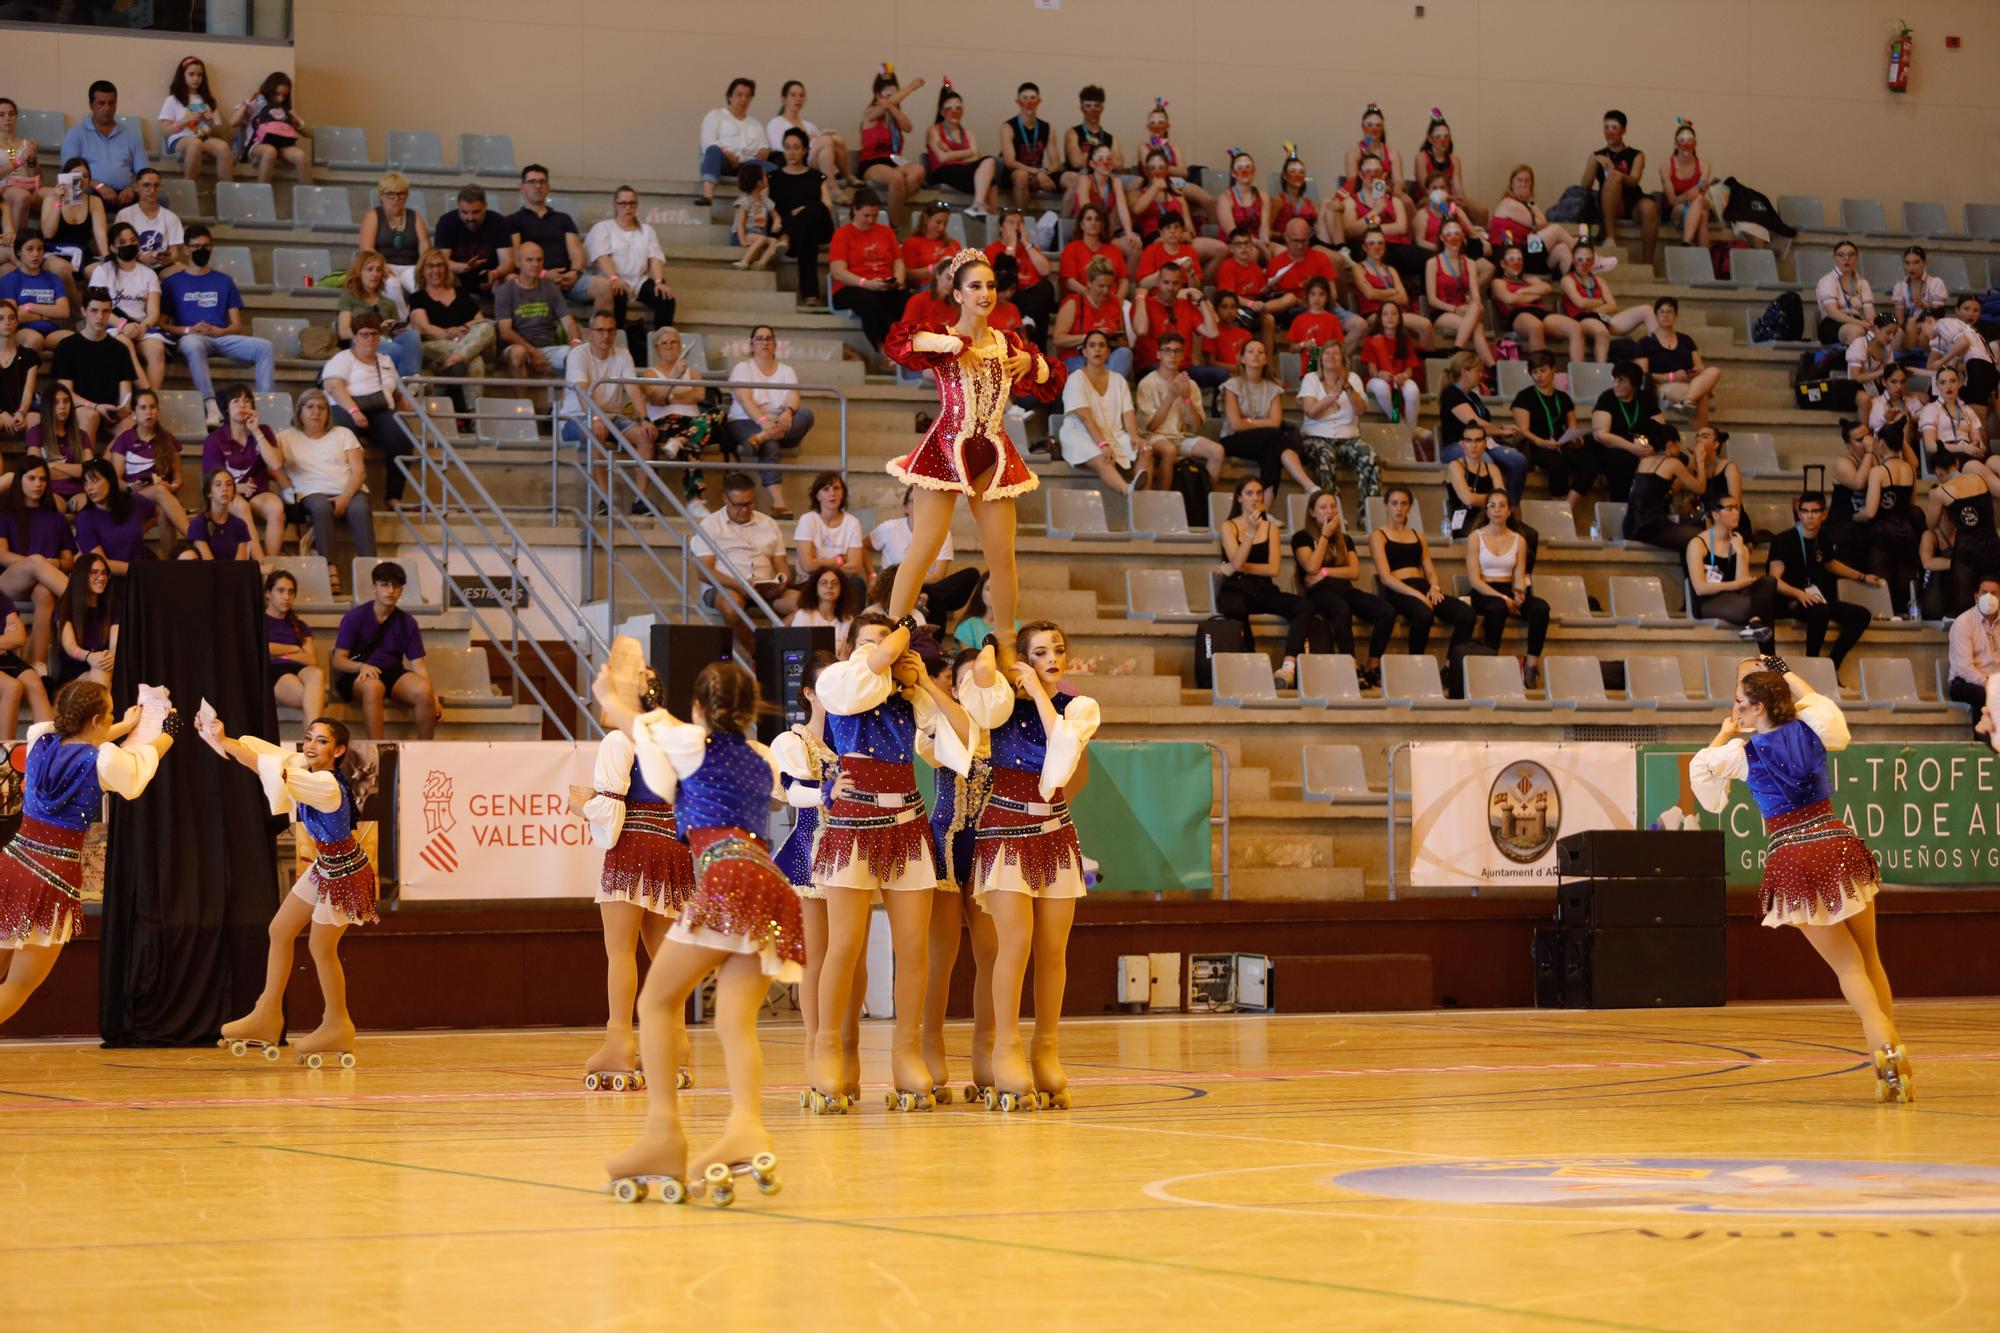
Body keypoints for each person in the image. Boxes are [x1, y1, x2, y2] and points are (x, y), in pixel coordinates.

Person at [600, 654, 804, 1201]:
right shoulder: (762, 757)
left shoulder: (693, 744)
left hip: (729, 877)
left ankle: (663, 1133)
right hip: (770, 883)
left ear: (698, 707)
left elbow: (636, 725)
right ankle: (745, 1127)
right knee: (735, 1021)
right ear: (749, 708)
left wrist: (610, 689)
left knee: (657, 1004)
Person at [1690, 665, 1909, 1101]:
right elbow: (1823, 707)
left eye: (1740, 703)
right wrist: (1783, 670)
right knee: (1869, 957)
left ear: (1758, 708)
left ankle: (1883, 1048)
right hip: (1837, 844)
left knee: (1848, 968)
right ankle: (1892, 1052)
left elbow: (1702, 777)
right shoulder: (1813, 725)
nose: (1735, 709)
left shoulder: (1739, 753)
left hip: (1795, 859)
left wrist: (1722, 734)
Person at [806, 616, 986, 1112]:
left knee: (913, 948)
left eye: (887, 643)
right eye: (868, 641)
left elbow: (967, 738)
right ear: (848, 647)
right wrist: (895, 640)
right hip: (852, 827)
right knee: (844, 946)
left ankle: (907, 1051)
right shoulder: (836, 682)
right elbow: (872, 666)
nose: (880, 651)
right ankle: (831, 1048)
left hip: (906, 824)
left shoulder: (910, 699)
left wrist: (924, 680)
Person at [933, 620, 1089, 1112]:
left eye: (1057, 650)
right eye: (1040, 652)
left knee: (1053, 949)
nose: (1052, 658)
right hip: (1004, 833)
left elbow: (1061, 753)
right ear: (1020, 660)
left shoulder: (1079, 708)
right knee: (1014, 945)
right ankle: (1007, 1048)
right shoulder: (997, 711)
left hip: (1057, 834)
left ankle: (1047, 1047)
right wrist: (992, 660)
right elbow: (977, 690)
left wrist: (1043, 693)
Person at [884, 250, 1063, 664]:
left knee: (1002, 553)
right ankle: (891, 631)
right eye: (975, 286)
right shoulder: (942, 337)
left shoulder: (1009, 344)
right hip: (946, 448)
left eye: (991, 286)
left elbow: (1050, 379)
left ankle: (1004, 641)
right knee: (925, 545)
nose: (985, 294)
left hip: (993, 452)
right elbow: (900, 342)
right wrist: (951, 343)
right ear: (958, 292)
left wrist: (1030, 363)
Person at [0, 679, 169, 1028]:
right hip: (49, 880)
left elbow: (85, 738)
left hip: (11, 866)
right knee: (17, 985)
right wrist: (167, 733)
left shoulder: (39, 737)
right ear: (95, 721)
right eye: (108, 714)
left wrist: (124, 724)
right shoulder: (103, 761)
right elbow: (136, 771)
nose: (111, 720)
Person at [211, 713, 374, 1067]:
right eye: (309, 737)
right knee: (280, 929)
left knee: (321, 946)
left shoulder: (327, 784)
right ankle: (267, 1014)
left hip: (346, 872)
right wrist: (223, 739)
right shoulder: (304, 767)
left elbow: (271, 769)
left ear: (339, 750)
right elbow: (265, 759)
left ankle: (337, 1023)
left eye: (322, 741)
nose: (311, 745)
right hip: (326, 865)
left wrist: (224, 741)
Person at [580, 659, 696, 1092]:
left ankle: (619, 1043)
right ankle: (675, 1044)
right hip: (674, 846)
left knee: (621, 952)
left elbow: (611, 810)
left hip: (635, 846)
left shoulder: (618, 738)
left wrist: (583, 806)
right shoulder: (677, 735)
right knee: (666, 957)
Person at [768, 653, 863, 1097]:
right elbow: (792, 790)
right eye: (826, 683)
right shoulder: (794, 741)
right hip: (812, 850)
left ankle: (849, 1047)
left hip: (857, 850)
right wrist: (826, 790)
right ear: (809, 693)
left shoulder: (858, 733)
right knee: (818, 956)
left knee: (854, 957)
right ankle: (816, 1047)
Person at [1214, 478, 1323, 689]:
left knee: (1305, 606)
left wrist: (1236, 566)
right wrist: (1250, 533)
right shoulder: (1229, 526)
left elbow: (1272, 569)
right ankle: (1251, 664)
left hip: (1262, 589)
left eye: (1258, 493)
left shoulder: (1271, 528)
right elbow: (1236, 561)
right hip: (1236, 587)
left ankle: (1288, 666)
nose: (1255, 498)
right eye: (1249, 493)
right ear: (1239, 498)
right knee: (1234, 607)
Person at [160, 226, 273, 426]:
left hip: (221, 336)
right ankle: (211, 406)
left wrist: (218, 331)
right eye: (195, 246)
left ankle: (264, 407)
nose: (201, 250)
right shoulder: (172, 283)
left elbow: (236, 325)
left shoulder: (224, 281)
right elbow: (161, 324)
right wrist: (189, 330)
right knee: (194, 344)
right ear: (186, 249)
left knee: (264, 346)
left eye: (205, 246)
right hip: (190, 338)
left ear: (212, 248)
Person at [1293, 489, 1395, 682]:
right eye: (1323, 507)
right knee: (1342, 609)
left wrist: (1324, 572)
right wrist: (1324, 536)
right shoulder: (1302, 537)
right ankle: (1350, 663)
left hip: (1344, 588)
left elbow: (1353, 572)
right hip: (1318, 592)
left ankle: (1374, 662)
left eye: (1333, 506)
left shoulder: (1345, 539)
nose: (1329, 511)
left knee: (1386, 610)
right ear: (1312, 512)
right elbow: (1311, 566)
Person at [1767, 492, 1878, 669]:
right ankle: (1813, 664)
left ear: (1824, 514)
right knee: (1821, 610)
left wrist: (1862, 576)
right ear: (1798, 513)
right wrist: (1798, 594)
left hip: (1815, 599)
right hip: (1789, 600)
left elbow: (1830, 563)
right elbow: (1774, 580)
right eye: (1804, 511)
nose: (1809, 516)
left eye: (1814, 511)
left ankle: (1833, 663)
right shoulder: (1784, 539)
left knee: (1861, 615)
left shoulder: (1823, 537)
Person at [692, 471, 799, 654]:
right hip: (727, 587)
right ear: (725, 499)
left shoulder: (768, 523)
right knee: (732, 607)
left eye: (749, 503)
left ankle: (772, 639)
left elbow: (781, 565)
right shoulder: (710, 525)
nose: (744, 509)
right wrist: (739, 584)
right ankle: (759, 654)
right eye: (739, 505)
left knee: (807, 604)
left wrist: (782, 582)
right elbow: (704, 572)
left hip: (765, 586)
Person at [560, 311, 657, 508]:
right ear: (590, 333)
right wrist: (594, 418)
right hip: (577, 416)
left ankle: (640, 500)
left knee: (645, 436)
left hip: (613, 416)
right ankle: (604, 499)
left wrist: (645, 419)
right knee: (595, 432)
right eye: (600, 330)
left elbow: (633, 389)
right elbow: (582, 392)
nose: (605, 335)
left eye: (610, 330)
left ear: (615, 333)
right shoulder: (577, 354)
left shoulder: (623, 354)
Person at [324, 314, 420, 513]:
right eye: (364, 334)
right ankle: (343, 491)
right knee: (345, 436)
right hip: (346, 407)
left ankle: (393, 496)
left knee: (401, 435)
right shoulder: (342, 358)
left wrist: (405, 404)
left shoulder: (385, 360)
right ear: (355, 337)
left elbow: (395, 389)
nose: (370, 339)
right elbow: (333, 386)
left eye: (374, 334)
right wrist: (354, 411)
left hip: (380, 410)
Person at [332, 561, 438, 740]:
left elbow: (419, 665)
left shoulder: (407, 622)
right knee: (374, 687)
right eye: (384, 585)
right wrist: (361, 667)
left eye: (395, 586)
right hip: (358, 674)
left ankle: (426, 749)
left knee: (423, 690)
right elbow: (338, 660)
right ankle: (378, 749)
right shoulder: (355, 617)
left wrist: (433, 698)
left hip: (391, 672)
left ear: (401, 590)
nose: (390, 591)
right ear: (374, 587)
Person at [1370, 485, 1474, 654]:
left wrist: (1434, 587)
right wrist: (1418, 596)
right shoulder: (1378, 535)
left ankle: (1451, 663)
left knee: (1466, 614)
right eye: (1394, 503)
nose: (1399, 508)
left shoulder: (1418, 535)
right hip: (1398, 590)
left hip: (1423, 587)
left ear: (1409, 507)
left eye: (1404, 504)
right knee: (1424, 614)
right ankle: (1416, 660)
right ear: (1386, 505)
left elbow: (1430, 571)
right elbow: (1385, 577)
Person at [724, 326, 813, 517]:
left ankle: (762, 438)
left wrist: (788, 412)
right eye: (760, 339)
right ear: (751, 344)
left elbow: (794, 397)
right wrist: (763, 421)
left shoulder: (786, 370)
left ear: (774, 344)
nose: (764, 342)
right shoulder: (743, 368)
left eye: (768, 339)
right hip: (745, 421)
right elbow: (744, 399)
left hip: (779, 424)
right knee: (771, 444)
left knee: (806, 415)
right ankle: (779, 503)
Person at [277, 388, 375, 561]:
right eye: (310, 407)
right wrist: (288, 488)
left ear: (328, 413)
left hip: (350, 491)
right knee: (321, 508)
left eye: (322, 408)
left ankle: (372, 571)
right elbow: (273, 468)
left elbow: (359, 471)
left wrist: (345, 497)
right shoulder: (284, 437)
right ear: (300, 411)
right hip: (310, 493)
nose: (316, 412)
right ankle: (330, 569)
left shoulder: (344, 433)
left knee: (360, 508)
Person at [1465, 491, 1551, 687]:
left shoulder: (1519, 539)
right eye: (1492, 505)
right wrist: (1504, 598)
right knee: (1498, 607)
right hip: (1484, 590)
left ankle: (1530, 666)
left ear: (1509, 511)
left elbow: (1519, 575)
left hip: (1507, 588)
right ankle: (1492, 661)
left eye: (1502, 505)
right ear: (1486, 511)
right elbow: (1474, 580)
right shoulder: (1475, 537)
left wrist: (1519, 593)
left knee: (1541, 608)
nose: (1497, 510)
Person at [0, 458, 73, 673]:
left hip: (44, 583)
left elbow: (68, 561)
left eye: (42, 479)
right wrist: (36, 564)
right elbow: (1, 555)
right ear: (19, 481)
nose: (37, 484)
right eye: (31, 478)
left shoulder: (56, 518)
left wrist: (56, 563)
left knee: (44, 594)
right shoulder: (5, 513)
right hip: (10, 581)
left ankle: (36, 666)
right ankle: (78, 600)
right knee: (37, 560)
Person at [1058, 330, 1151, 499]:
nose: (1097, 350)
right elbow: (1085, 417)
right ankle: (1128, 491)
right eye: (1092, 345)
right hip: (1080, 434)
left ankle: (1143, 496)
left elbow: (1128, 413)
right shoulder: (1076, 379)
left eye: (1102, 345)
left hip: (1113, 433)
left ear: (1108, 351)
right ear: (1085, 352)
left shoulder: (1118, 379)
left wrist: (1135, 436)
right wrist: (1102, 443)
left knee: (1145, 449)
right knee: (1103, 457)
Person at [870, 487, 982, 627]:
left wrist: (918, 587)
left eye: (926, 501)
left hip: (929, 585)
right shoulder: (890, 528)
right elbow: (863, 545)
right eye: (914, 501)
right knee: (938, 601)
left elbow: (938, 575)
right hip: (893, 584)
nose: (921, 505)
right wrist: (871, 574)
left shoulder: (942, 532)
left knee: (970, 575)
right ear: (906, 507)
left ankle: (925, 596)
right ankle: (925, 599)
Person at [201, 383, 285, 557]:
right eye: (236, 401)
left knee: (276, 508)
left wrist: (256, 432)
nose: (242, 405)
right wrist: (237, 488)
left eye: (247, 401)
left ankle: (272, 559)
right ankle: (260, 563)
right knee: (241, 506)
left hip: (258, 493)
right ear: (227, 409)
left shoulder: (264, 431)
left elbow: (276, 464)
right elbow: (210, 481)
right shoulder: (215, 439)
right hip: (226, 495)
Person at [1222, 339, 1314, 497]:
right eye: (1251, 352)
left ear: (1265, 359)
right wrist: (1262, 423)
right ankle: (1309, 485)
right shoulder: (1232, 385)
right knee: (1274, 437)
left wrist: (1248, 422)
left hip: (1266, 440)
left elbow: (1275, 422)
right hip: (1234, 440)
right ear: (1242, 358)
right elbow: (1236, 425)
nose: (1256, 355)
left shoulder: (1273, 388)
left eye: (1260, 352)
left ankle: (1264, 511)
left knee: (1272, 454)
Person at [408, 247, 495, 406]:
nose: (436, 270)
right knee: (475, 360)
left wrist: (461, 328)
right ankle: (475, 416)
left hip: (463, 344)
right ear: (422, 271)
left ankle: (458, 358)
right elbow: (424, 328)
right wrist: (455, 335)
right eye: (431, 266)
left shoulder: (460, 293)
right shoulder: (418, 298)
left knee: (488, 327)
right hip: (435, 347)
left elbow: (480, 321)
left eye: (440, 265)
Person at [85, 221, 167, 390]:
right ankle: (146, 395)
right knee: (124, 345)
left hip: (141, 327)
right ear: (113, 248)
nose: (129, 245)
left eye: (132, 240)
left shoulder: (148, 274)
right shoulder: (103, 271)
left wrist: (143, 327)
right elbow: (97, 307)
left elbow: (154, 311)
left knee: (157, 349)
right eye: (122, 242)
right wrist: (123, 326)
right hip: (110, 326)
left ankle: (153, 399)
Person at [52, 288, 138, 445]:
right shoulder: (67, 346)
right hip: (80, 409)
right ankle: (86, 466)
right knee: (90, 416)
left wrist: (123, 408)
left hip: (110, 412)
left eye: (106, 311)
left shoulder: (120, 349)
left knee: (130, 425)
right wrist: (96, 407)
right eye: (94, 311)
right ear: (83, 311)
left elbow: (126, 393)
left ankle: (105, 465)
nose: (100, 317)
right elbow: (66, 393)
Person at [1437, 349, 1527, 497]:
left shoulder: (1473, 396)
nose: (1481, 375)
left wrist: (1501, 427)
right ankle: (1489, 506)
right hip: (1457, 444)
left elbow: (1484, 423)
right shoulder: (1451, 394)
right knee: (1485, 462)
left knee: (1519, 461)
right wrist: (1502, 432)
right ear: (1465, 372)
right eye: (1478, 371)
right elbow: (1475, 424)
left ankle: (1510, 505)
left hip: (1483, 442)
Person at [1296, 342, 1379, 499]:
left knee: (1370, 455)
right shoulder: (1311, 378)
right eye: (1327, 353)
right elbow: (1311, 412)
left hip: (1348, 439)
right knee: (1325, 453)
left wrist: (1347, 388)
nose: (1331, 357)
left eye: (1336, 353)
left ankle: (1367, 513)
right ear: (1321, 359)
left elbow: (1361, 410)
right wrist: (1332, 396)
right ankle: (1330, 507)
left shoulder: (1353, 379)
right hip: (1316, 438)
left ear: (1343, 358)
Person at [585, 186, 675, 330]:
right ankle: (617, 341)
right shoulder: (604, 227)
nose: (628, 207)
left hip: (639, 280)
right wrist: (614, 278)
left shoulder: (647, 230)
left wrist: (659, 281)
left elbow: (655, 257)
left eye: (632, 203)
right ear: (615, 205)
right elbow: (603, 257)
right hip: (611, 278)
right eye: (623, 203)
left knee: (665, 298)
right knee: (618, 295)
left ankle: (662, 341)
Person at [1687, 495, 1776, 640]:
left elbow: (1742, 584)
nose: (1736, 513)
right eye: (1730, 508)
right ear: (1715, 515)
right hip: (1710, 601)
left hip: (1736, 597)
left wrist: (1740, 553)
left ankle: (1756, 628)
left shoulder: (1739, 544)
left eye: (1737, 508)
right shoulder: (1697, 544)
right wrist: (1735, 585)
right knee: (1765, 609)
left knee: (1769, 581)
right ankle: (1769, 657)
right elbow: (1700, 588)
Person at [106, 386, 187, 540]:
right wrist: (130, 487)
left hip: (163, 495)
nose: (148, 412)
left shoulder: (168, 439)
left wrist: (172, 486)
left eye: (152, 407)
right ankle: (196, 539)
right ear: (134, 414)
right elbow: (115, 480)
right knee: (160, 491)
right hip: (134, 495)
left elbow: (178, 478)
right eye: (143, 408)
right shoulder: (124, 440)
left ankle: (171, 561)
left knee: (163, 512)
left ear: (157, 411)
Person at [1511, 350, 1587, 514]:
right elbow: (1523, 430)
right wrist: (1542, 442)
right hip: (1536, 443)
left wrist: (1575, 438)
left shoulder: (1563, 398)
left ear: (1553, 370)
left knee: (1590, 464)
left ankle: (1567, 507)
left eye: (1543, 370)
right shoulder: (1524, 397)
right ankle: (1557, 504)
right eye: (1535, 372)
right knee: (1557, 464)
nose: (1539, 376)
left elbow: (1572, 426)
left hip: (1560, 442)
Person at [768, 129, 836, 310]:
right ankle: (810, 295)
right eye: (787, 147)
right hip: (794, 229)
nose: (791, 152)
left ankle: (787, 238)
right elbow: (768, 207)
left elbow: (826, 205)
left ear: (805, 150)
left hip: (819, 225)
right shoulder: (773, 178)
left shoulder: (816, 176)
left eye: (796, 148)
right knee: (807, 236)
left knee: (815, 209)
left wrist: (803, 212)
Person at [828, 189, 905, 351]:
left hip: (883, 284)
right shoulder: (842, 235)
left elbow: (898, 261)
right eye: (866, 216)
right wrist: (866, 283)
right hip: (851, 287)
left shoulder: (886, 232)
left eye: (875, 216)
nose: (871, 220)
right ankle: (884, 349)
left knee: (908, 300)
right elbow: (838, 272)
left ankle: (911, 347)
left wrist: (898, 280)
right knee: (869, 302)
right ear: (855, 210)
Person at [1925, 449, 2000, 612]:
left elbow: (1931, 524)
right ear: (1956, 464)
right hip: (1992, 545)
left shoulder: (1940, 492)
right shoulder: (1979, 479)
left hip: (1967, 551)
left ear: (1937, 472)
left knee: (1965, 606)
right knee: (1995, 602)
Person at [495, 243, 582, 380]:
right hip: (516, 348)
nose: (535, 264)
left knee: (579, 355)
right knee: (519, 353)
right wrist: (534, 353)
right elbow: (505, 332)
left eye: (539, 260)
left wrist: (576, 342)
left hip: (548, 348)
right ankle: (521, 402)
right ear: (518, 263)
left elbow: (569, 322)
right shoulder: (505, 291)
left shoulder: (551, 288)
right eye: (529, 260)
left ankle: (569, 400)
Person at [1582, 109, 1659, 263]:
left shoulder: (1636, 154)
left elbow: (1634, 180)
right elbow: (1584, 186)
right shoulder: (1598, 155)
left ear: (1623, 130)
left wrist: (1616, 172)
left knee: (1649, 207)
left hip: (1632, 199)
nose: (1609, 132)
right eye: (1606, 127)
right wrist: (1593, 163)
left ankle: (1647, 262)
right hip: (1610, 201)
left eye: (1614, 128)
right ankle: (1610, 237)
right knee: (1612, 181)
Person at [1562, 241, 1655, 362]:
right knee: (1602, 331)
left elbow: (1612, 305)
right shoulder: (1567, 279)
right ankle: (1602, 371)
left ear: (1593, 260)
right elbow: (1580, 303)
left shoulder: (1599, 280)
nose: (1584, 264)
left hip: (1600, 317)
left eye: (1588, 260)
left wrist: (1594, 309)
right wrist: (1601, 301)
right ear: (1573, 261)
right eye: (1580, 260)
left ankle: (1658, 351)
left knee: (1646, 310)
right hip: (1581, 319)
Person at [856, 71, 927, 229]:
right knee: (896, 178)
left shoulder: (895, 117)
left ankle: (892, 206)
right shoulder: (871, 113)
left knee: (919, 170)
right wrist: (910, 88)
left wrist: (892, 107)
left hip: (892, 160)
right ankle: (895, 226)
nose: (891, 98)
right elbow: (881, 108)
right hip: (872, 162)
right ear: (877, 95)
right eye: (887, 94)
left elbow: (908, 127)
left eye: (894, 94)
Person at [1636, 296, 1720, 427]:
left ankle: (1687, 401)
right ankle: (1698, 435)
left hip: (1688, 381)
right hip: (1663, 385)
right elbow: (1642, 375)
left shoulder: (1686, 340)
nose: (1665, 315)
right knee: (1703, 395)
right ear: (1656, 316)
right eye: (1661, 312)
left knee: (1714, 371)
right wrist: (1670, 376)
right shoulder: (1645, 342)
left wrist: (1694, 372)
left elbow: (1700, 367)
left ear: (1676, 316)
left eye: (1669, 311)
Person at [1590, 359, 1667, 503]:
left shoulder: (1645, 398)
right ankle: (1621, 505)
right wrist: (1632, 448)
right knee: (1622, 459)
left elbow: (1661, 426)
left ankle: (1658, 507)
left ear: (1633, 384)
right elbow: (1601, 435)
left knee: (1674, 458)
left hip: (1641, 446)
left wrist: (1651, 447)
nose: (1616, 385)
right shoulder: (1607, 397)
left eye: (1621, 381)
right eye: (1614, 380)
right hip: (1613, 448)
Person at [60, 81, 147, 208]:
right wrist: (99, 186)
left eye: (111, 103)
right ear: (91, 105)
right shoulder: (76, 133)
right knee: (76, 191)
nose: (107, 108)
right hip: (92, 190)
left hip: (125, 194)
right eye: (101, 103)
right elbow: (68, 172)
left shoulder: (131, 136)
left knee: (158, 196)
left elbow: (144, 174)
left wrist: (133, 189)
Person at [507, 165, 587, 302]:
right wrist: (543, 274)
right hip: (532, 278)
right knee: (511, 279)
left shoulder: (563, 218)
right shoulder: (512, 221)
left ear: (548, 187)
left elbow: (576, 252)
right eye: (532, 182)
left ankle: (603, 323)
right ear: (522, 187)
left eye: (542, 182)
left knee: (603, 287)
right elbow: (516, 257)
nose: (538, 186)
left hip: (567, 279)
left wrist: (574, 273)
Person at [792, 471, 870, 610]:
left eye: (836, 488)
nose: (832, 493)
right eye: (826, 489)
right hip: (810, 581)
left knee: (857, 583)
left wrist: (820, 563)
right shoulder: (807, 520)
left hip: (842, 582)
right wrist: (838, 560)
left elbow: (855, 567)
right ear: (817, 495)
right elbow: (808, 565)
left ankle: (852, 630)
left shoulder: (852, 522)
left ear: (843, 493)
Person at [337, 251, 421, 377]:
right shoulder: (349, 297)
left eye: (378, 270)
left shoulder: (388, 303)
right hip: (361, 341)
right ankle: (410, 383)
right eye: (369, 270)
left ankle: (408, 382)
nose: (375, 274)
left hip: (386, 340)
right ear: (359, 272)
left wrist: (395, 328)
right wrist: (374, 330)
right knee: (402, 352)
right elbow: (343, 332)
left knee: (412, 336)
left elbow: (394, 334)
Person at [1621, 421, 1702, 551]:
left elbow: (1662, 488)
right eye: (1678, 444)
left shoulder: (1644, 461)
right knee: (1703, 538)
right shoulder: (1672, 463)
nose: (1679, 448)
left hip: (1630, 525)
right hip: (1650, 527)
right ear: (1670, 444)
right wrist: (1701, 461)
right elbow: (1700, 488)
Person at [1490, 244, 1580, 359]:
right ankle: (1540, 368)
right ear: (1502, 263)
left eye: (1519, 259)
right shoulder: (1498, 282)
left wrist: (1522, 292)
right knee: (1535, 326)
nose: (1516, 263)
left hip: (1539, 312)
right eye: (1511, 259)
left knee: (1575, 327)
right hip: (1518, 314)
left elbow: (1546, 288)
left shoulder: (1530, 279)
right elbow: (1510, 299)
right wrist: (1534, 296)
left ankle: (1579, 371)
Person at [925, 84, 999, 219]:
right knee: (987, 178)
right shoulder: (934, 130)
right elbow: (942, 158)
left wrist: (952, 155)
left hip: (962, 171)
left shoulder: (968, 133)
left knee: (990, 164)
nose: (954, 111)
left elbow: (976, 157)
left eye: (958, 108)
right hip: (943, 171)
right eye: (949, 108)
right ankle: (980, 208)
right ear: (942, 112)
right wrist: (968, 152)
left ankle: (985, 212)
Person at [263, 568, 326, 726]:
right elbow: (264, 648)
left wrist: (283, 654)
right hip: (276, 671)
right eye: (281, 591)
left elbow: (311, 659)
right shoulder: (259, 621)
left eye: (291, 592)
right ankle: (313, 741)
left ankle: (310, 743)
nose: (287, 597)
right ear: (268, 594)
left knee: (317, 673)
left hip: (299, 668)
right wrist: (295, 648)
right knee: (313, 699)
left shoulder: (299, 625)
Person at [1425, 220, 1492, 364]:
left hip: (1466, 310)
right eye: (1448, 234)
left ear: (1463, 237)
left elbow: (1475, 296)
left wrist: (1470, 306)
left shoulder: (1470, 263)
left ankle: (1457, 349)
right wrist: (1455, 309)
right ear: (1442, 238)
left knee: (1476, 306)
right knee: (1477, 327)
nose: (1453, 238)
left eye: (1457, 233)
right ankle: (1491, 366)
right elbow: (1432, 299)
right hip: (1442, 311)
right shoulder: (1432, 263)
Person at [984, 209, 1057, 343]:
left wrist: (1027, 244)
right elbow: (1003, 277)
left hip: (1032, 297)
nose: (1016, 227)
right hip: (1012, 293)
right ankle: (1027, 323)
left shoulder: (1029, 248)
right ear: (1001, 227)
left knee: (1047, 288)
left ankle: (1028, 319)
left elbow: (1045, 271)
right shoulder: (992, 249)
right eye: (1011, 223)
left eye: (1020, 223)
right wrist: (1011, 245)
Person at [766, 80, 853, 191]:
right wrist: (807, 140)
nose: (798, 98)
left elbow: (824, 150)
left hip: (815, 160)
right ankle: (832, 188)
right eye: (793, 95)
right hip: (795, 161)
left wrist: (816, 139)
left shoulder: (809, 125)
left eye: (801, 95)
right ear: (784, 99)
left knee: (837, 139)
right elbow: (782, 149)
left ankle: (848, 176)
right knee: (826, 140)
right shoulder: (776, 123)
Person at [697, 77, 771, 206]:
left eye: (748, 96)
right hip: (723, 161)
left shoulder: (755, 123)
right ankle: (707, 196)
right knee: (713, 151)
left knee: (775, 169)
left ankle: (769, 208)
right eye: (739, 95)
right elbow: (707, 142)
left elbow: (765, 144)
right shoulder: (716, 115)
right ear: (730, 96)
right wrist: (726, 153)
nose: (743, 99)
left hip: (747, 164)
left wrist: (765, 149)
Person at [1051, 257, 1130, 377]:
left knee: (1125, 353)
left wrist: (1113, 339)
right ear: (1089, 282)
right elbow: (1058, 339)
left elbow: (1124, 340)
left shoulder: (1114, 302)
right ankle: (1106, 387)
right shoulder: (1073, 302)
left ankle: (1105, 385)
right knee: (1090, 369)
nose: (1106, 291)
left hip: (1107, 356)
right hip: (1078, 356)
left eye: (1109, 286)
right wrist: (1089, 337)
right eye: (1101, 286)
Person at [73, 459, 155, 572]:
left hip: (144, 568)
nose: (89, 488)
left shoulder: (134, 501)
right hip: (114, 578)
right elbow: (102, 564)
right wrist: (138, 571)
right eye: (85, 482)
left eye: (94, 480)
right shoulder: (84, 518)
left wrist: (140, 529)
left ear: (110, 480)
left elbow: (157, 513)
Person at [1489, 165, 1572, 276]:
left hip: (1526, 250)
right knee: (1556, 229)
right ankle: (1587, 253)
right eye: (1519, 180)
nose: (1523, 184)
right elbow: (1543, 224)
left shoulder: (1522, 204)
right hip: (1511, 253)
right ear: (1511, 183)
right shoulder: (1510, 203)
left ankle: (1577, 286)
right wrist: (1530, 200)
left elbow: (1540, 225)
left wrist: (1529, 201)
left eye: (1527, 181)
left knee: (1563, 249)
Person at [28, 378, 97, 511]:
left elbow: (90, 470)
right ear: (47, 406)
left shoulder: (81, 435)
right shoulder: (36, 432)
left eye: (66, 401)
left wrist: (53, 466)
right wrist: (76, 470)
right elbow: (36, 471)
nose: (62, 406)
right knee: (56, 507)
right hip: (50, 490)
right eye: (55, 402)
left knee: (90, 506)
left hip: (79, 491)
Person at [52, 551, 118, 688]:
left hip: (106, 664)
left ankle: (98, 709)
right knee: (102, 671)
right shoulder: (65, 606)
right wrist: (89, 657)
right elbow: (70, 646)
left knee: (103, 667)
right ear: (81, 575)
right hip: (76, 668)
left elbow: (115, 642)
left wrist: (111, 655)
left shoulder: (113, 606)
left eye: (105, 573)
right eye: (94, 572)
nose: (101, 578)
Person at [231, 72, 311, 185]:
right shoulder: (256, 104)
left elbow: (309, 134)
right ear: (269, 91)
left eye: (284, 95)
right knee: (270, 151)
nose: (280, 99)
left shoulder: (285, 109)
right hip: (257, 144)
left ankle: (310, 197)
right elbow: (233, 122)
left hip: (282, 145)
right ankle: (261, 195)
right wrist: (249, 100)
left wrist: (297, 119)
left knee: (301, 156)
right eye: (277, 94)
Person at [1948, 577, 2000, 747]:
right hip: (1965, 681)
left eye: (1994, 593)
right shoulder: (1963, 623)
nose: (1989, 597)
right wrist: (1989, 685)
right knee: (1983, 695)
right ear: (1976, 596)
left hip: (1995, 680)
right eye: (1985, 592)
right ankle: (1984, 748)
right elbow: (1964, 668)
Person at [1920, 364, 1993, 484]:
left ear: (1959, 383)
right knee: (1981, 470)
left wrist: (1979, 448)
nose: (1948, 386)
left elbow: (1977, 439)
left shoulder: (1967, 409)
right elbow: (1930, 446)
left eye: (1953, 381)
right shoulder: (1931, 409)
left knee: (1995, 461)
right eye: (1943, 382)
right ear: (1937, 386)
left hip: (1969, 449)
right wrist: (1963, 448)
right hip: (1946, 454)